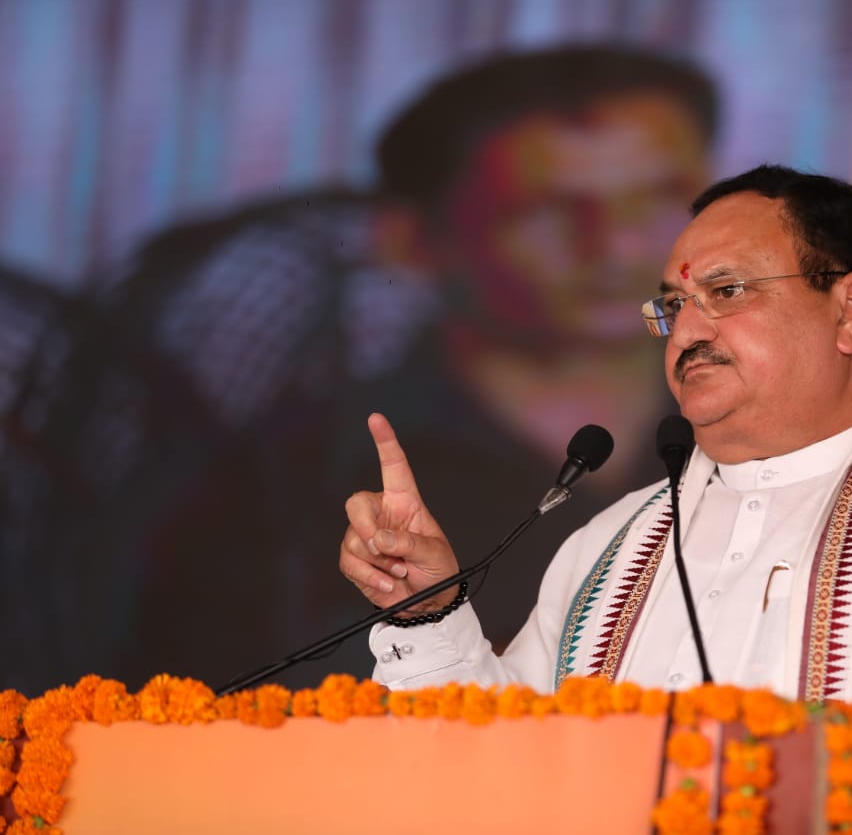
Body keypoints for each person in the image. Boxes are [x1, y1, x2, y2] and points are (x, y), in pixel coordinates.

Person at [340, 164, 852, 832]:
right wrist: (428, 612)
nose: (686, 332)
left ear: (851, 311)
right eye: (673, 304)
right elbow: (500, 754)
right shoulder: (610, 541)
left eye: (726, 291)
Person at [14, 45, 716, 692]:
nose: (617, 243)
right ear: (412, 240)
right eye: (549, 210)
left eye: (656, 200)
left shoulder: (777, 436)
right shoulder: (268, 479)